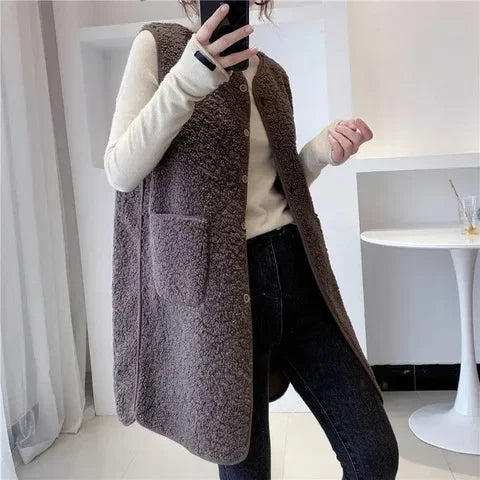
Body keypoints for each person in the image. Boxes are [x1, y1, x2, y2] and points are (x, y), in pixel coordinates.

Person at [104, 1, 399, 478]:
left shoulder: (273, 75)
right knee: (246, 466)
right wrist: (189, 78)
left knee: (374, 455)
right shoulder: (158, 47)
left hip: (298, 273)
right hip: (220, 294)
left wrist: (319, 152)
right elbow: (120, 170)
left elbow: (274, 186)